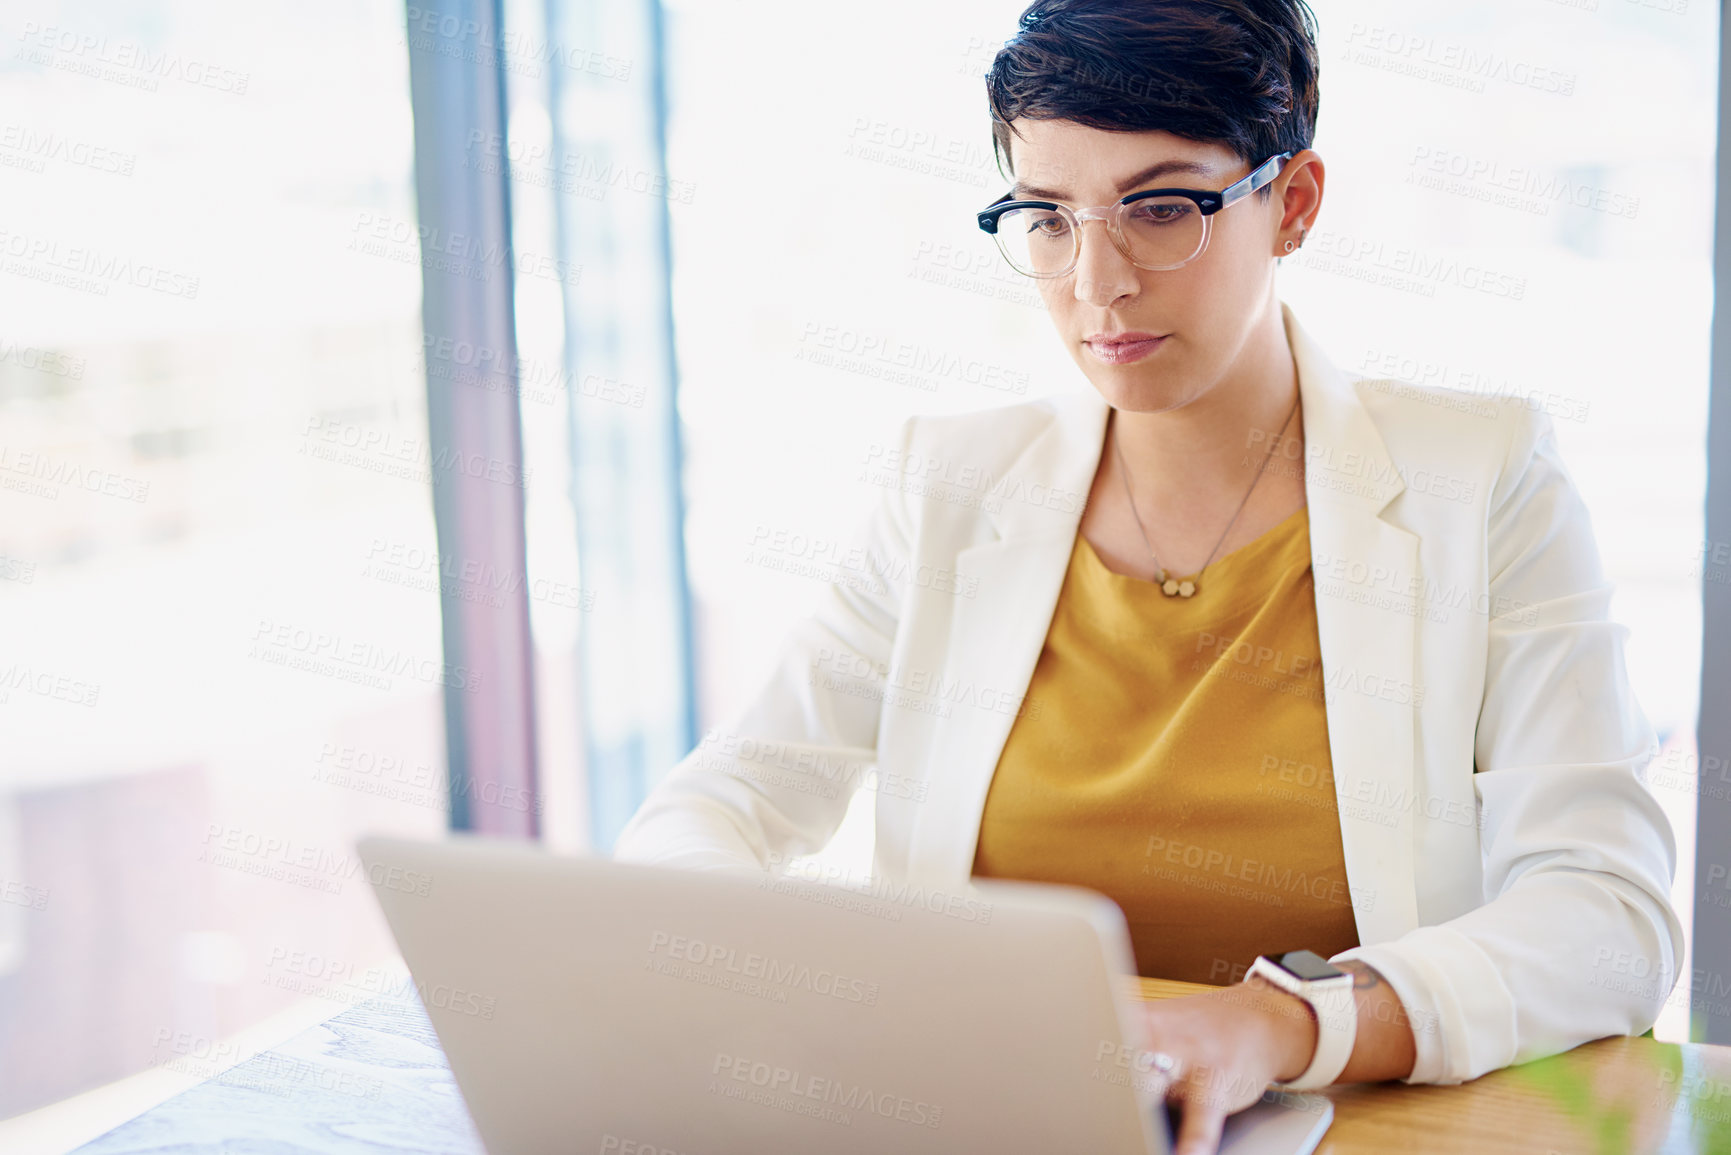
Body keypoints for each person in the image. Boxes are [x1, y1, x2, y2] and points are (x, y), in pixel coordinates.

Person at [614, 2, 1684, 1152]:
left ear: (1297, 203)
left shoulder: (1481, 481)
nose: (1098, 281)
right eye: (1048, 218)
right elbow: (713, 811)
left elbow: (1606, 916)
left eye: (1162, 207)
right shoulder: (954, 489)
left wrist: (1282, 1025)